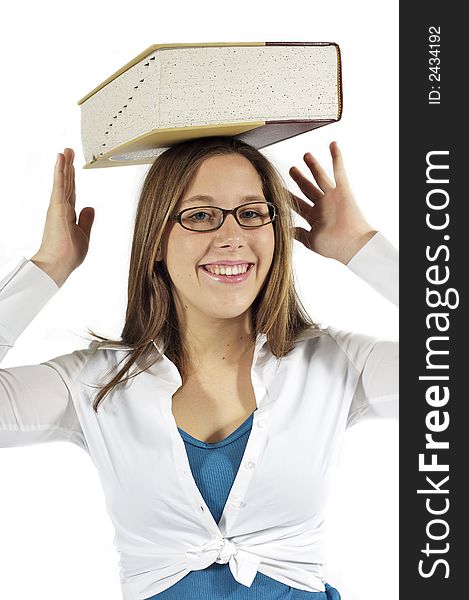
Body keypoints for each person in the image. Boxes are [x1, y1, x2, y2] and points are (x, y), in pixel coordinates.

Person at [0, 136, 398, 600]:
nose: (232, 237)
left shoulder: (337, 364)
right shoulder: (93, 383)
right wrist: (48, 266)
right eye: (201, 215)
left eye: (251, 214)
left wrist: (361, 247)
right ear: (156, 243)